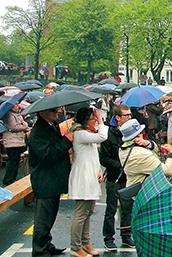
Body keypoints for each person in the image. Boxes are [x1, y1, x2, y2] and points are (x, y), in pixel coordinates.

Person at [28, 105, 73, 256]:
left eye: (57, 110)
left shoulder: (50, 125)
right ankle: (40, 250)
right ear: (42, 112)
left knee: (50, 215)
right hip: (45, 179)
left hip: (53, 179)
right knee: (43, 218)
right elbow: (48, 154)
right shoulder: (38, 132)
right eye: (52, 111)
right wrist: (67, 140)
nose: (57, 113)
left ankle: (46, 244)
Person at [68, 107, 107, 257]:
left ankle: (85, 242)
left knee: (88, 211)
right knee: (81, 213)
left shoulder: (87, 133)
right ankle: (75, 246)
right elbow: (103, 136)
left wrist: (98, 170)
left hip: (90, 175)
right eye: (93, 119)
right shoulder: (80, 133)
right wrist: (101, 119)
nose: (96, 122)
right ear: (85, 121)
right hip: (83, 177)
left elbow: (92, 155)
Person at [98, 104, 135, 252]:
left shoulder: (132, 132)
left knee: (127, 209)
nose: (129, 118)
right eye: (126, 115)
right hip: (115, 177)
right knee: (111, 209)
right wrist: (121, 164)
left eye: (130, 115)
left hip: (129, 176)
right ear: (118, 117)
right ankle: (108, 238)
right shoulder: (109, 134)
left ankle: (126, 235)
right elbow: (104, 159)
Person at [118, 118, 172, 187]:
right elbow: (167, 171)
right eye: (142, 132)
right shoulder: (141, 154)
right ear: (138, 135)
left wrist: (147, 143)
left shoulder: (124, 148)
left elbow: (156, 150)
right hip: (146, 191)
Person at [0, 101, 29, 185]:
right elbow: (13, 127)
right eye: (15, 105)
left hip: (19, 140)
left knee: (16, 161)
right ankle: (8, 179)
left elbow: (24, 123)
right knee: (12, 161)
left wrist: (24, 125)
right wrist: (24, 126)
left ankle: (13, 178)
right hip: (12, 141)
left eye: (17, 104)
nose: (16, 106)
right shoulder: (8, 115)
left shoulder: (18, 114)